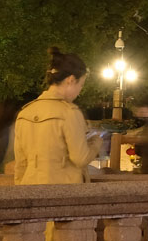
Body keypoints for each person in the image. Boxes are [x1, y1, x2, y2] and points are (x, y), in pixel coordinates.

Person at [14, 48, 94, 184]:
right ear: (71, 80)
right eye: (81, 85)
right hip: (62, 192)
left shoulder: (25, 113)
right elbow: (80, 158)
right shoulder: (69, 113)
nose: (79, 91)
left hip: (29, 188)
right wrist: (96, 143)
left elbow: (20, 163)